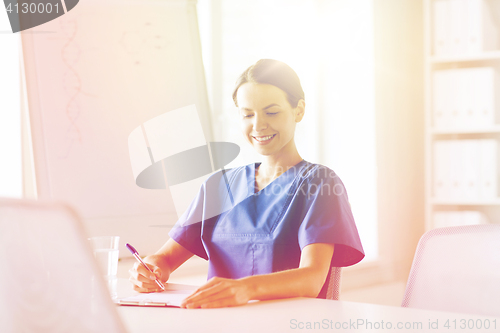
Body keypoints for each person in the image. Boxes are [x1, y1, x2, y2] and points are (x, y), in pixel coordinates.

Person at [128, 59, 364, 309]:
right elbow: (165, 258)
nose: (258, 125)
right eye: (247, 114)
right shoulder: (219, 185)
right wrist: (150, 270)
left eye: (271, 112)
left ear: (299, 110)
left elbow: (312, 278)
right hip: (220, 323)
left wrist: (244, 288)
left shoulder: (319, 183)